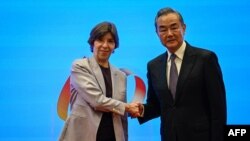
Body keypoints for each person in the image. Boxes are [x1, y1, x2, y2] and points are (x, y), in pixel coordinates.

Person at [137, 7, 227, 141]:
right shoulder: (153, 66)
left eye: (174, 27)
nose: (169, 33)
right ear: (157, 33)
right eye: (163, 29)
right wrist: (140, 110)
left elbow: (218, 108)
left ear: (183, 28)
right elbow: (157, 105)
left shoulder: (205, 59)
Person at [59, 21, 140, 141]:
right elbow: (97, 101)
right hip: (83, 135)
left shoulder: (121, 76)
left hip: (112, 136)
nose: (105, 45)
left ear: (115, 46)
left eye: (110, 41)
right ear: (92, 43)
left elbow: (121, 116)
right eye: (100, 40)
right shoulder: (80, 66)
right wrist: (127, 107)